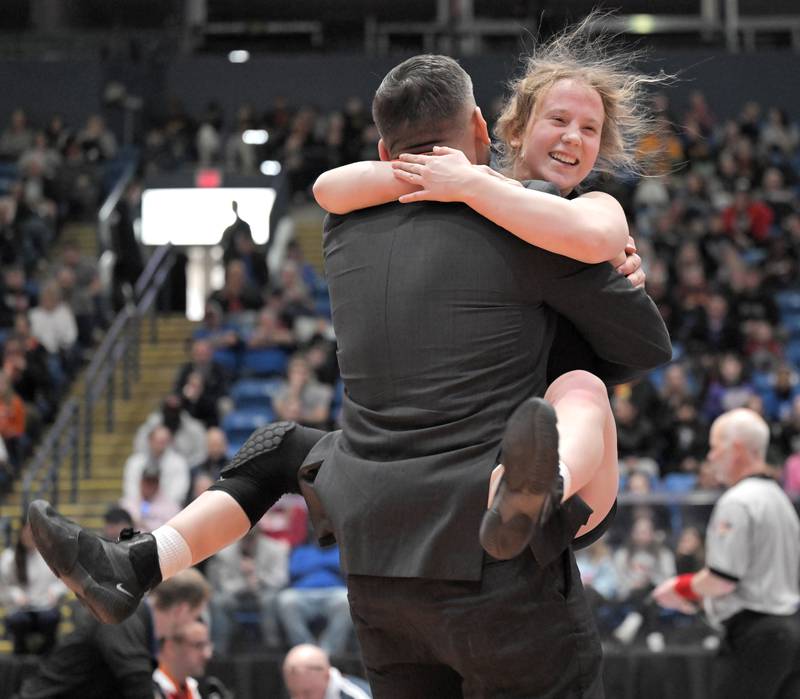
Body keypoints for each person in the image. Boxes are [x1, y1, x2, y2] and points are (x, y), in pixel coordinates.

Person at [29, 22, 671, 697]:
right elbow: (640, 342)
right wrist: (602, 268)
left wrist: (469, 185)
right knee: (579, 386)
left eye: (588, 129)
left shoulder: (349, 227)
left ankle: (140, 561)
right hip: (490, 506)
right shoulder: (531, 219)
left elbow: (332, 186)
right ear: (498, 127)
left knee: (284, 448)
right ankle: (532, 489)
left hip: (378, 536)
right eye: (558, 120)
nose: (572, 137)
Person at [653, 408, 800, 699]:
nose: (710, 457)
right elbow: (758, 579)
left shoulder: (738, 501)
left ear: (735, 450)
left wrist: (679, 588)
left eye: (714, 447)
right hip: (789, 633)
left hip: (756, 637)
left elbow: (723, 580)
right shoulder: (780, 499)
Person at [14, 568, 210, 699]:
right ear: (182, 609)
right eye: (196, 616)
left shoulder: (137, 623)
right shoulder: (123, 618)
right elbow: (137, 684)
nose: (196, 625)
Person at [0, 518, 67, 655]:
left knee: (49, 618)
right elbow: (4, 587)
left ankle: (47, 653)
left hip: (46, 607)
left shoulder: (51, 555)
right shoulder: (9, 557)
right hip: (20, 609)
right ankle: (20, 654)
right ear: (21, 532)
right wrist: (15, 594)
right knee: (18, 620)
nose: (31, 535)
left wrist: (55, 591)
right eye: (28, 531)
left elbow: (64, 581)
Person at [153, 618, 216, 699]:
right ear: (171, 648)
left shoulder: (194, 689)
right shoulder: (146, 691)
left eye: (207, 645)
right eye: (198, 645)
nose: (207, 655)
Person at [282, 643, 372, 699]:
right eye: (293, 693)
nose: (299, 698)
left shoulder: (357, 696)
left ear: (327, 676)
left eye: (307, 693)